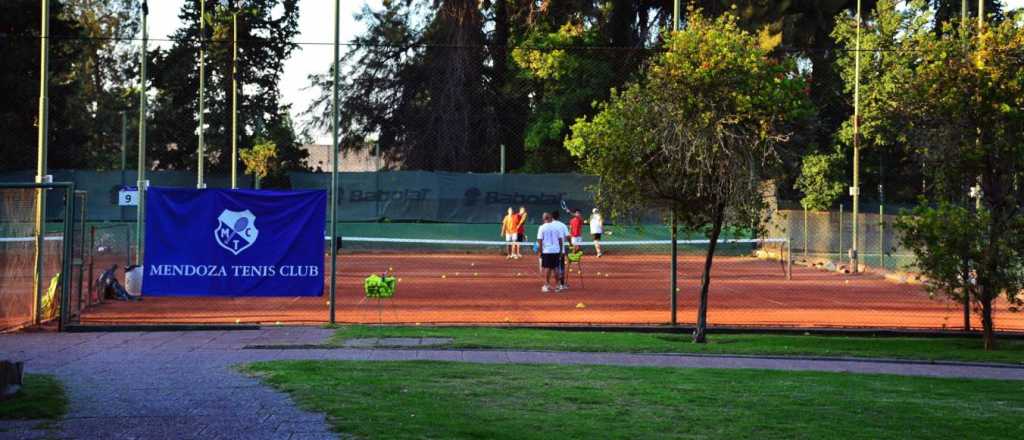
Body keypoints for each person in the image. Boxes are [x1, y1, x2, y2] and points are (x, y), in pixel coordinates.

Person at [536, 212, 564, 292]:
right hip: (556, 250)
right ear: (550, 218)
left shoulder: (542, 227)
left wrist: (540, 251)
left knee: (547, 268)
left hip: (547, 251)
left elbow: (540, 241)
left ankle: (546, 285)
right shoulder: (556, 228)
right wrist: (561, 251)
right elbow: (560, 240)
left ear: (544, 219)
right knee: (555, 268)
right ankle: (558, 286)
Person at [550, 210, 570, 290]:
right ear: (559, 217)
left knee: (553, 268)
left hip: (550, 251)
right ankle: (561, 284)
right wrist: (571, 243)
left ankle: (555, 284)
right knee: (561, 267)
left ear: (552, 217)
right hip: (560, 250)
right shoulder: (563, 225)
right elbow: (568, 237)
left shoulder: (548, 225)